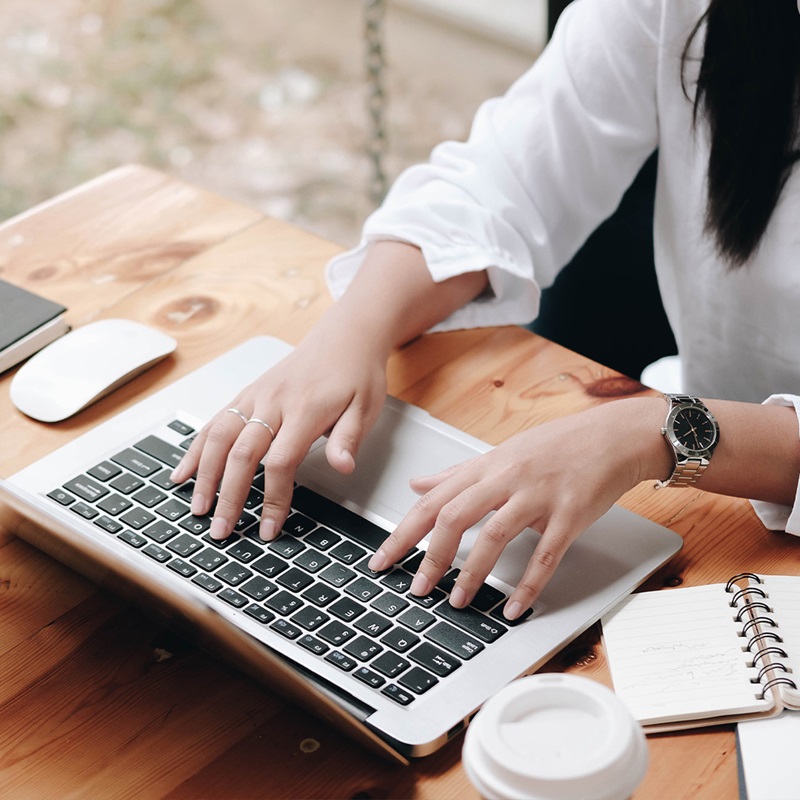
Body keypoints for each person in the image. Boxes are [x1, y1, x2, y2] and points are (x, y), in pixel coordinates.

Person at [171, 0, 800, 622]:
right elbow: (500, 181)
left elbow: (653, 435)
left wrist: (651, 433)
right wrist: (348, 333)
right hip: (706, 478)